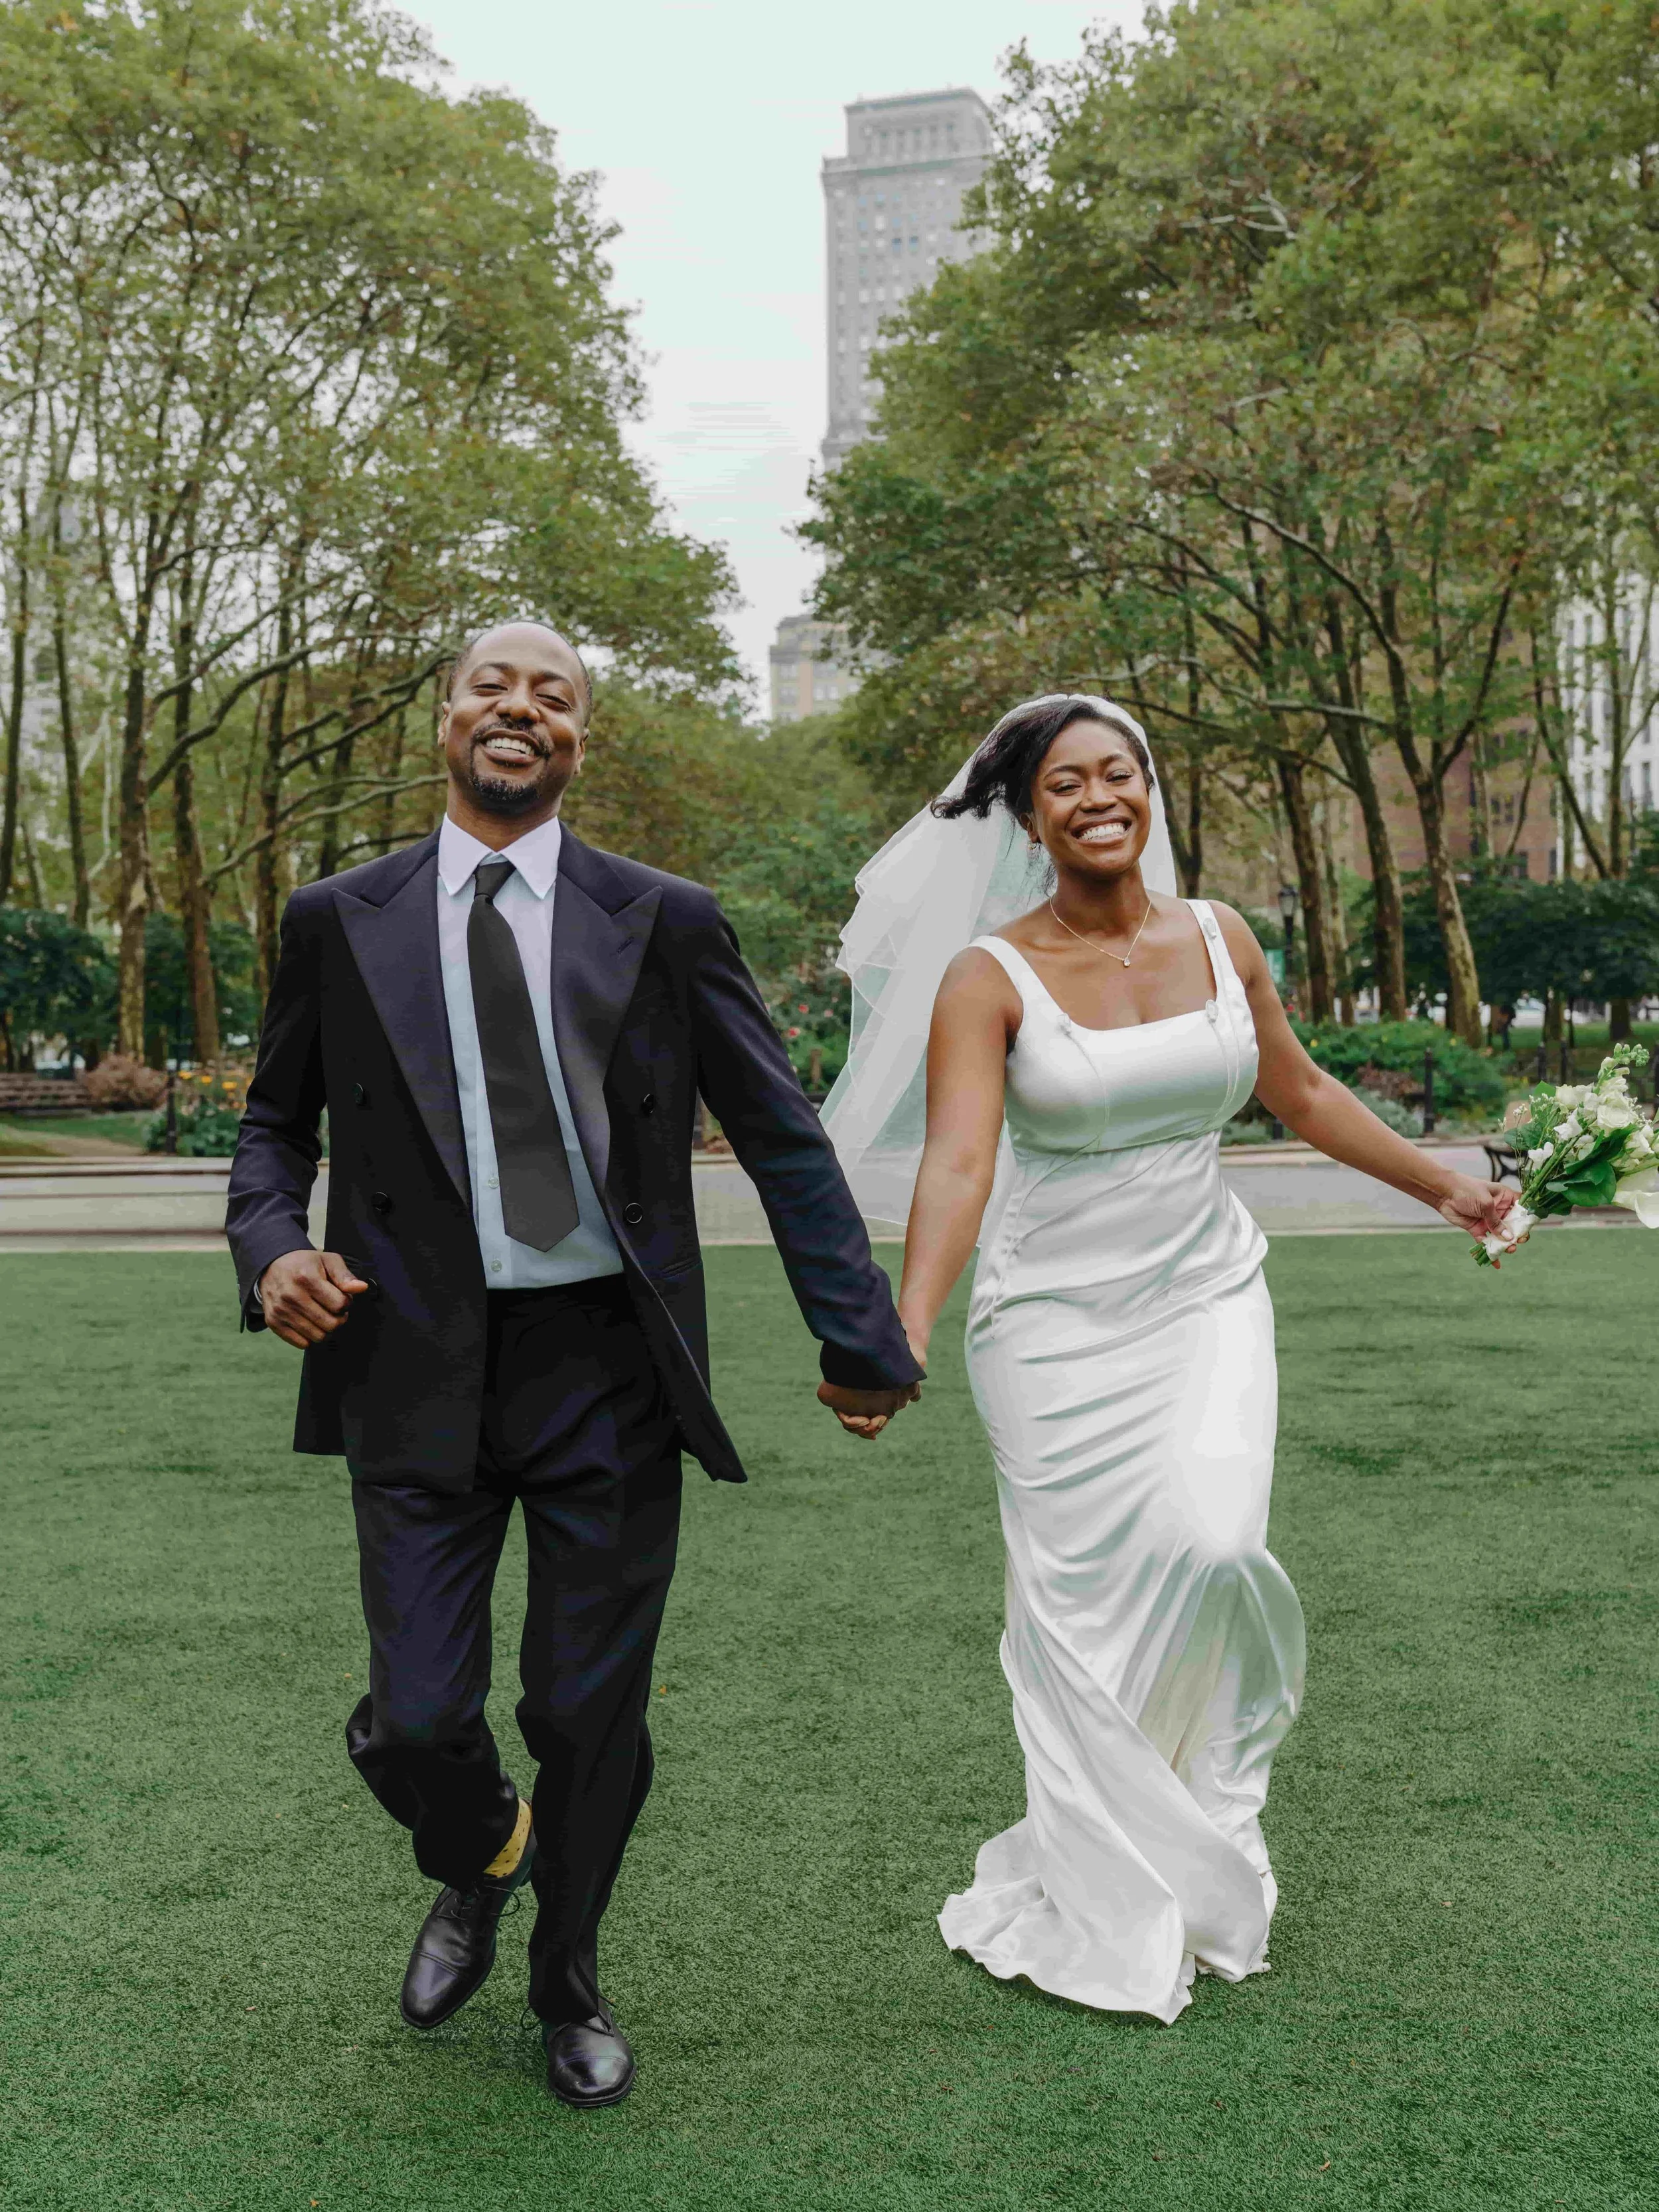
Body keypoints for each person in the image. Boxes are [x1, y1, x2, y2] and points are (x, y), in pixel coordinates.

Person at [226, 620, 921, 2108]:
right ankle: (481, 1850)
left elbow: (780, 1132)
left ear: (580, 738)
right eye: (492, 684)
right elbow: (273, 1124)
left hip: (604, 1363)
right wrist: (272, 1243)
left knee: (584, 1711)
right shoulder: (337, 916)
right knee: (418, 1716)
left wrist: (856, 1329)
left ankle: (567, 1978)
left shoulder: (661, 917)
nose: (520, 708)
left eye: (555, 694)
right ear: (444, 719)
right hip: (408, 1358)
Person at [824, 693, 1514, 2022]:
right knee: (1078, 1616)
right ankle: (1101, 1879)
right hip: (1049, 1325)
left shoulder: (1218, 935)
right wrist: (899, 1332)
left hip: (1203, 1296)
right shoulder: (987, 976)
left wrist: (1443, 1188)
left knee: (1210, 1548)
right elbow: (961, 1159)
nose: (1099, 797)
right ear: (1028, 817)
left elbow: (1296, 1088)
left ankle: (1193, 1822)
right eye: (1067, 783)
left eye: (1119, 773)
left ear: (1148, 788)